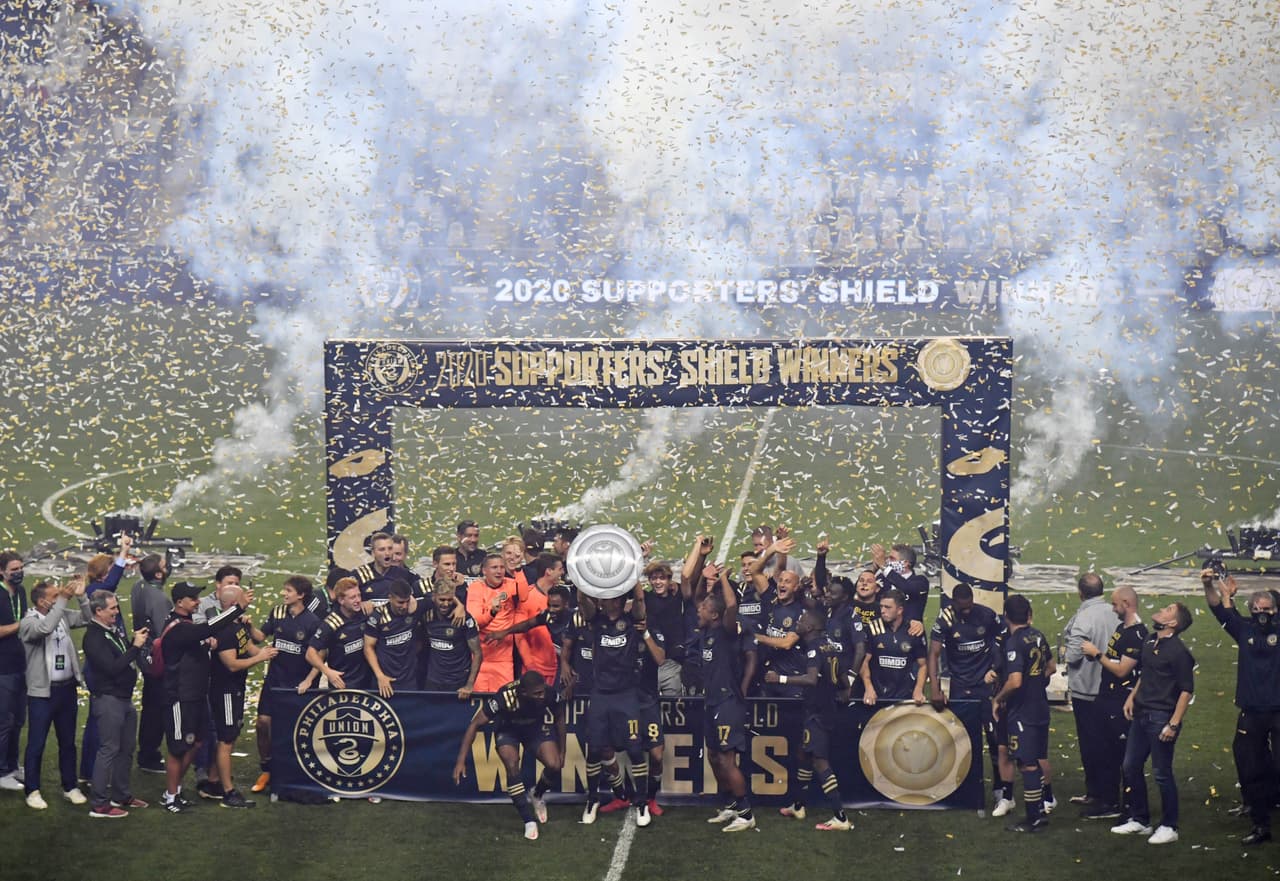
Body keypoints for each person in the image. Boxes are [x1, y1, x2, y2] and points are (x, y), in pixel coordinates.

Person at [158, 581, 251, 813]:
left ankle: (174, 789)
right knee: (178, 748)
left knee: (196, 743)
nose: (198, 601)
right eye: (193, 598)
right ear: (180, 602)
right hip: (179, 696)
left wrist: (205, 644)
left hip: (196, 695)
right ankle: (170, 797)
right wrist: (236, 609)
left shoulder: (187, 625)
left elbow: (199, 637)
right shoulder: (177, 627)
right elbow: (205, 629)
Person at [1202, 568, 1280, 845]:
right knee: (1250, 768)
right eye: (1257, 608)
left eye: (1268, 608)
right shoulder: (1244, 629)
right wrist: (1211, 586)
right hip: (1251, 712)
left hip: (1279, 711)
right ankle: (1260, 825)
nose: (1262, 613)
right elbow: (1220, 612)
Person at [1111, 602, 1194, 845]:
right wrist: (1132, 697)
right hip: (1141, 714)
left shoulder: (1179, 652)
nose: (1161, 610)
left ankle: (1170, 826)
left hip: (1161, 718)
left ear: (1173, 623)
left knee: (1161, 773)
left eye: (1168, 610)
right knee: (1130, 767)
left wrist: (1174, 723)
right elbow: (1145, 673)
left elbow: (1186, 691)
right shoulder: (1149, 640)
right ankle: (1140, 819)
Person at [453, 670, 563, 841]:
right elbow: (475, 724)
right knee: (512, 765)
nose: (542, 696)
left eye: (542, 692)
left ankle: (537, 794)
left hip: (534, 729)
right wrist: (461, 761)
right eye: (537, 694)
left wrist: (562, 750)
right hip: (508, 730)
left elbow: (559, 716)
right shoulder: (504, 696)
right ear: (524, 692)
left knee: (555, 764)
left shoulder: (548, 693)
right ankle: (528, 821)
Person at [577, 580, 652, 827]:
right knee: (595, 749)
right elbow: (582, 602)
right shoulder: (596, 620)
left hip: (626, 694)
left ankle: (641, 803)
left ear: (619, 600)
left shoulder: (632, 619)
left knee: (633, 748)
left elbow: (640, 604)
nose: (603, 599)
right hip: (600, 693)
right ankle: (592, 799)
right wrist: (582, 577)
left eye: (608, 597)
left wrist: (636, 577)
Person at [774, 610, 854, 831]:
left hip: (817, 712)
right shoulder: (830, 646)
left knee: (819, 761)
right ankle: (799, 805)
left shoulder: (814, 649)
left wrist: (779, 678)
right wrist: (842, 692)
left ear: (809, 628)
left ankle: (840, 817)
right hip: (825, 709)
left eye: (801, 621)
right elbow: (843, 680)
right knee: (804, 753)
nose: (797, 623)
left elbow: (810, 679)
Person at [928, 583, 1002, 811]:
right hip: (960, 688)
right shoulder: (945, 619)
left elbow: (1003, 641)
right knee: (960, 740)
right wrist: (936, 688)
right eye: (963, 609)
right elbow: (933, 653)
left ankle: (1001, 789)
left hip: (985, 687)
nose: (967, 611)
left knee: (994, 737)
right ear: (954, 604)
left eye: (970, 606)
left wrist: (997, 669)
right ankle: (961, 787)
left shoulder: (987, 615)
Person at [20, 577, 92, 809]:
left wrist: (82, 597)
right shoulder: (29, 622)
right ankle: (32, 790)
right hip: (43, 693)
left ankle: (70, 786)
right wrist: (63, 600)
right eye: (54, 596)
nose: (59, 598)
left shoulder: (59, 614)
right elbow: (45, 628)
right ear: (42, 601)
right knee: (37, 743)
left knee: (68, 742)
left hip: (66, 689)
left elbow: (87, 619)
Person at [1078, 586, 1146, 821]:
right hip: (1105, 698)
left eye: (1116, 604)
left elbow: (1122, 670)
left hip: (1119, 702)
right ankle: (1108, 800)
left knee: (1119, 755)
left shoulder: (1136, 635)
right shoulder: (1121, 628)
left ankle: (1127, 806)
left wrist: (1097, 654)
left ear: (1127, 603)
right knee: (1104, 752)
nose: (1113, 608)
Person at [697, 560, 756, 832]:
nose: (700, 609)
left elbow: (731, 607)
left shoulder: (726, 631)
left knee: (726, 759)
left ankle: (746, 812)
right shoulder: (706, 630)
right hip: (711, 701)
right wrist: (704, 577)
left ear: (715, 615)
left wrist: (722, 579)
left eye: (705, 609)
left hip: (727, 701)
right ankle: (731, 804)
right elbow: (697, 597)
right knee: (712, 755)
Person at [81, 590, 149, 818]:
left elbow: (120, 656)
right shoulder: (93, 637)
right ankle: (99, 804)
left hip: (124, 699)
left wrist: (131, 643)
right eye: (112, 608)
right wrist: (136, 647)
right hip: (109, 699)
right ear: (98, 611)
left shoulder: (110, 630)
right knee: (109, 749)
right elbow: (112, 668)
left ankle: (121, 794)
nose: (117, 612)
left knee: (127, 748)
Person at [251, 575, 321, 794]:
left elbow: (319, 656)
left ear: (301, 595)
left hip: (297, 683)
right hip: (275, 679)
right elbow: (261, 635)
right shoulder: (278, 612)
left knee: (294, 729)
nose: (284, 594)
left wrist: (309, 680)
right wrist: (247, 625)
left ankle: (295, 770)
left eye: (288, 591)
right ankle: (267, 768)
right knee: (263, 723)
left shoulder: (312, 622)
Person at [209, 584, 277, 808]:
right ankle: (228, 792)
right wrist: (261, 658)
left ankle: (214, 781)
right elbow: (231, 665)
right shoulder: (225, 630)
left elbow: (249, 646)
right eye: (243, 599)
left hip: (235, 689)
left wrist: (272, 654)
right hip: (226, 690)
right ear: (232, 604)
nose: (248, 602)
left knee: (229, 735)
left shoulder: (237, 625)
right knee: (226, 740)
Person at [992, 594, 1054, 833]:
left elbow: (1015, 681)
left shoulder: (1014, 642)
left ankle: (1033, 818)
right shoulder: (1038, 635)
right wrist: (1036, 682)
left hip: (1023, 711)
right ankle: (1039, 809)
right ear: (1029, 615)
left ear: (1006, 616)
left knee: (1027, 764)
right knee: (1036, 759)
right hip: (1040, 706)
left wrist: (998, 698)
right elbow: (1051, 667)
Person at [1062, 572, 1117, 810]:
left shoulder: (1083, 617)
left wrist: (1064, 651)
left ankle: (1101, 797)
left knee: (1092, 746)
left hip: (1087, 690)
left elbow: (1073, 656)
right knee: (1110, 745)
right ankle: (1104, 794)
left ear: (1080, 593)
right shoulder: (1115, 612)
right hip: (1113, 689)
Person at [130, 553, 172, 774]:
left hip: (143, 655)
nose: (168, 568)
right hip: (156, 659)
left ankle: (146, 752)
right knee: (157, 709)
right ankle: (149, 755)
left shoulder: (139, 587)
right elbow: (165, 633)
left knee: (150, 706)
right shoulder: (160, 599)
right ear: (157, 573)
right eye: (165, 567)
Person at [860, 589, 927, 706]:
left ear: (900, 610)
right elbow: (864, 661)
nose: (882, 611)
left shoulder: (913, 631)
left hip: (905, 697)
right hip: (877, 697)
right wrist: (868, 687)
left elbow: (923, 665)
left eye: (888, 607)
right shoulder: (873, 628)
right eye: (881, 607)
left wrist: (918, 689)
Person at [466, 554, 522, 692]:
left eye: (502, 567)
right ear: (484, 570)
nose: (499, 571)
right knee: (480, 704)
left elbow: (525, 594)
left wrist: (518, 570)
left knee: (505, 702)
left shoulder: (510, 584)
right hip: (480, 660)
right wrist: (492, 613)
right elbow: (475, 621)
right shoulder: (476, 588)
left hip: (504, 660)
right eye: (494, 567)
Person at [364, 579, 428, 698]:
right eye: (400, 602)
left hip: (409, 680)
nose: (404, 606)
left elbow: (438, 599)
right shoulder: (378, 617)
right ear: (390, 598)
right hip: (385, 681)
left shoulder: (415, 609)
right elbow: (368, 647)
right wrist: (380, 676)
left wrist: (459, 606)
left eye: (407, 601)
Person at [307, 576, 373, 691]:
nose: (358, 600)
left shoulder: (365, 613)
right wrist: (328, 672)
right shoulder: (331, 623)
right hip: (343, 685)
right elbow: (310, 654)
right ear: (341, 600)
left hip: (368, 683)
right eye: (353, 597)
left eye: (359, 595)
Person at [0, 551, 29, 791]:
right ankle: (1, 771)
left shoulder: (20, 592)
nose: (18, 572)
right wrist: (22, 625)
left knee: (18, 720)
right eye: (14, 569)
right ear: (2, 572)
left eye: (20, 567)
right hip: (3, 668)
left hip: (21, 665)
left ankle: (12, 766)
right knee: (3, 721)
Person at [421, 581, 481, 698]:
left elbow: (477, 653)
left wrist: (469, 685)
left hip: (458, 682)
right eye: (442, 600)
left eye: (449, 600)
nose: (446, 604)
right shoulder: (426, 613)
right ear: (434, 597)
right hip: (433, 680)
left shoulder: (464, 618)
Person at [643, 561, 686, 696]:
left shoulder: (677, 596)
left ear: (669, 580)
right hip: (650, 660)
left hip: (673, 661)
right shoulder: (646, 598)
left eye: (662, 578)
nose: (658, 582)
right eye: (654, 578)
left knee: (672, 707)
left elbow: (688, 577)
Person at [871, 542, 929, 625]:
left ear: (905, 563)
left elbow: (906, 587)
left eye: (892, 558)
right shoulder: (882, 578)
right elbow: (859, 593)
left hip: (910, 633)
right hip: (883, 633)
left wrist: (883, 566)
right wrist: (873, 569)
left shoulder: (920, 582)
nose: (888, 561)